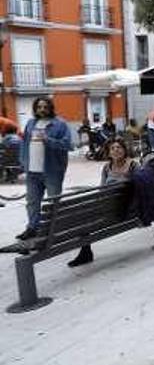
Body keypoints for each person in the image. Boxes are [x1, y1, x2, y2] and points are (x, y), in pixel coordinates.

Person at [67, 137, 137, 267]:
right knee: (82, 215)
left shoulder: (133, 165)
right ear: (109, 152)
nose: (116, 150)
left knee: (81, 217)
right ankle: (85, 251)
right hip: (108, 209)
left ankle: (85, 252)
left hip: (125, 210)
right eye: (113, 148)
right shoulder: (107, 168)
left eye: (119, 147)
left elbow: (139, 188)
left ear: (125, 150)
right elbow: (101, 190)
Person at [16, 97, 74, 240]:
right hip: (32, 172)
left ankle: (54, 229)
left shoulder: (60, 124)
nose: (42, 109)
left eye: (45, 107)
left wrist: (48, 140)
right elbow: (25, 144)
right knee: (32, 203)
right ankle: (32, 228)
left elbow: (68, 145)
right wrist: (23, 163)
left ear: (50, 108)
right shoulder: (31, 123)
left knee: (53, 202)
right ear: (35, 109)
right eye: (39, 107)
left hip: (52, 171)